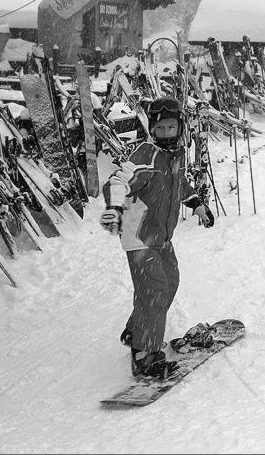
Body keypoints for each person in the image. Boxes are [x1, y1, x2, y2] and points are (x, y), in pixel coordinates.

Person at [100, 97, 214, 379]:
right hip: (139, 237)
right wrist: (114, 206)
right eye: (160, 128)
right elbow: (118, 181)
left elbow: (179, 183)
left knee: (170, 282)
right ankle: (144, 356)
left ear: (180, 128)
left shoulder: (175, 156)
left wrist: (197, 205)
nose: (165, 133)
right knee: (155, 290)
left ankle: (136, 330)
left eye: (171, 127)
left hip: (161, 236)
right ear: (152, 128)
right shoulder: (146, 156)